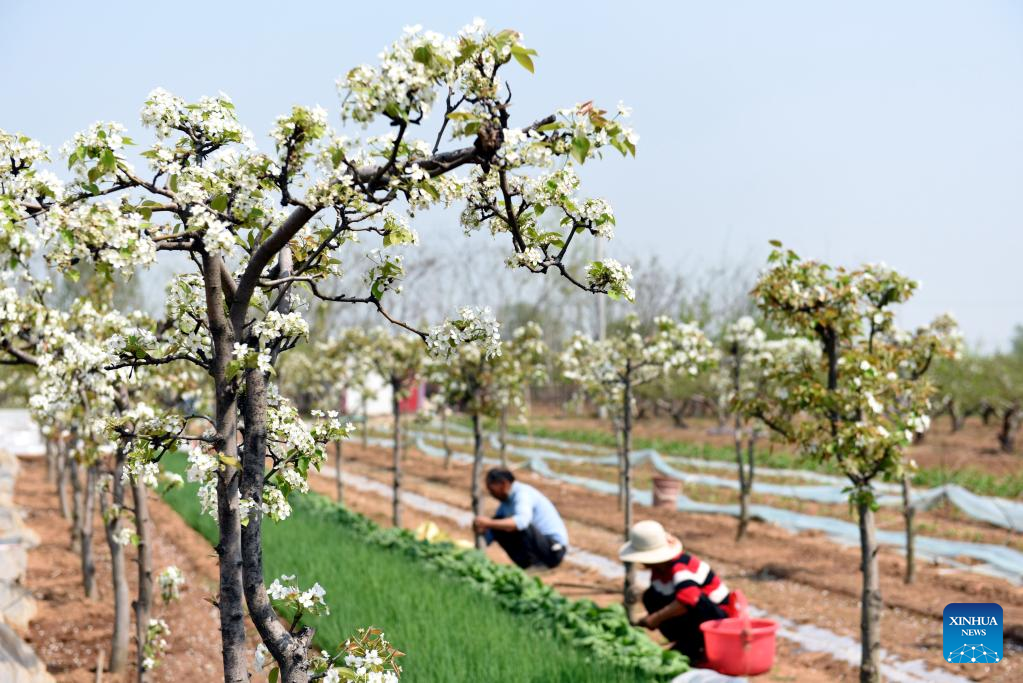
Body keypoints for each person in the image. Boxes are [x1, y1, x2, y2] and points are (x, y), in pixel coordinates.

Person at [619, 520, 731, 663]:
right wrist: (648, 616)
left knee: (693, 600)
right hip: (694, 618)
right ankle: (686, 642)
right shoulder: (659, 571)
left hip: (718, 619)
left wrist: (655, 618)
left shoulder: (680, 567)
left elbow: (688, 600)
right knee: (650, 596)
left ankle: (696, 645)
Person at [472, 468, 568, 570]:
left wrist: (489, 523)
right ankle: (527, 565)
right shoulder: (505, 504)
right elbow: (492, 532)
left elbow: (522, 522)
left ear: (503, 484)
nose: (491, 493)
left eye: (491, 489)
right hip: (541, 547)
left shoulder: (522, 494)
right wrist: (482, 531)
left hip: (553, 549)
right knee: (499, 523)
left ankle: (534, 565)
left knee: (517, 524)